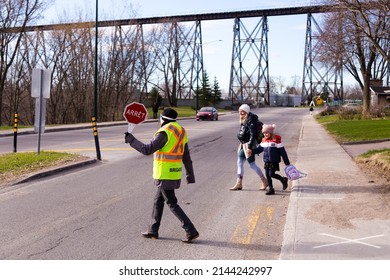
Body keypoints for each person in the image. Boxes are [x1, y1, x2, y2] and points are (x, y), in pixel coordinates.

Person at [124, 108, 199, 243]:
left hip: (164, 173)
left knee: (171, 203)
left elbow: (147, 149)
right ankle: (153, 230)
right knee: (158, 200)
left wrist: (131, 140)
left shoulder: (165, 132)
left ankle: (190, 230)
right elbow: (186, 155)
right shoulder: (181, 130)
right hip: (174, 172)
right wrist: (189, 175)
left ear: (163, 119)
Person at [230, 104, 268, 191]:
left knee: (252, 165)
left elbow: (253, 135)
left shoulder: (250, 121)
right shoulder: (245, 120)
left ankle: (264, 180)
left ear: (247, 111)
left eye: (243, 111)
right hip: (243, 145)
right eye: (240, 111)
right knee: (239, 163)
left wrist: (250, 147)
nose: (241, 113)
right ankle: (239, 183)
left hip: (248, 145)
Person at [255, 124, 290, 195]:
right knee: (267, 175)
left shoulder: (276, 140)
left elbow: (283, 152)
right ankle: (270, 189)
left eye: (266, 133)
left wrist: (287, 162)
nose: (265, 134)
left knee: (271, 174)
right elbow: (259, 149)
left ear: (271, 133)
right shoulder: (263, 141)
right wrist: (251, 151)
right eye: (264, 133)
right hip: (266, 161)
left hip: (274, 161)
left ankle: (283, 179)